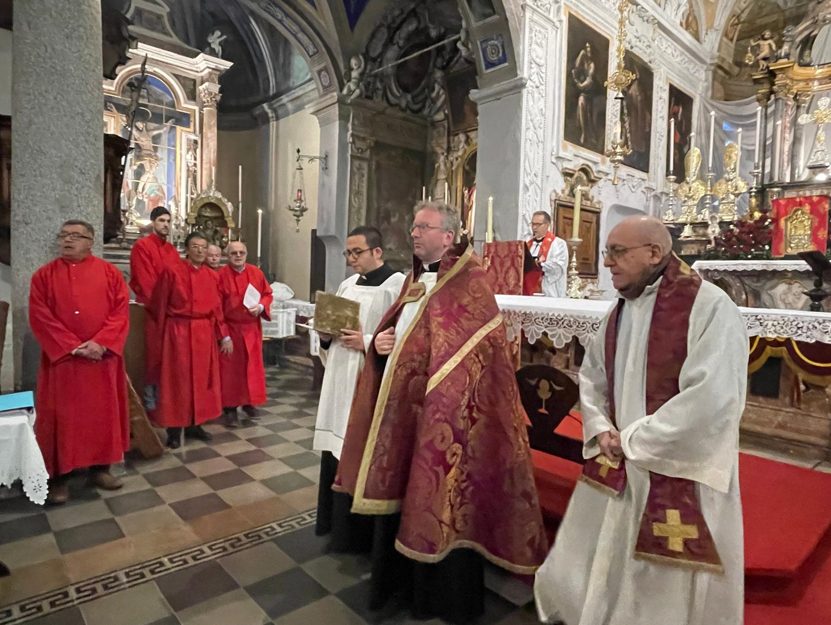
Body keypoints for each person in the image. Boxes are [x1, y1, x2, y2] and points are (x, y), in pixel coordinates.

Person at [334, 202, 547, 623]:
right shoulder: (414, 279)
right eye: (413, 226)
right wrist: (380, 344)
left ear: (448, 236)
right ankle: (397, 583)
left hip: (445, 414)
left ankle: (439, 597)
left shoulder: (470, 281)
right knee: (402, 488)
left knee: (438, 497)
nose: (413, 233)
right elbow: (399, 330)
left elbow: (475, 353)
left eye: (424, 227)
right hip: (404, 409)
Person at [534, 216, 747, 625]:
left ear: (654, 253)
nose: (607, 262)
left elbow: (712, 399)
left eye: (618, 252)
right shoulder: (620, 310)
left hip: (671, 462)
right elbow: (593, 376)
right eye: (606, 252)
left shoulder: (709, 307)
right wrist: (599, 429)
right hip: (619, 457)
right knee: (599, 560)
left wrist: (632, 440)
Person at [313, 226, 405, 546]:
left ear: (377, 252)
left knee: (359, 442)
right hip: (339, 373)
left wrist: (364, 341)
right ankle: (335, 526)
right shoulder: (348, 284)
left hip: (368, 376)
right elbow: (329, 330)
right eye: (348, 253)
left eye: (357, 252)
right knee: (336, 447)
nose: (351, 259)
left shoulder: (397, 286)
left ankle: (358, 535)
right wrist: (324, 333)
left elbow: (399, 338)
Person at [30, 220, 130, 504]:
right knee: (61, 418)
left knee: (102, 416)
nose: (67, 240)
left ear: (90, 241)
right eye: (64, 235)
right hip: (63, 361)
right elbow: (40, 316)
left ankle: (101, 469)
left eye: (76, 236)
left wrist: (101, 342)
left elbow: (120, 312)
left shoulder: (110, 274)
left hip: (101, 359)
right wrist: (73, 347)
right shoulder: (43, 276)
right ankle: (59, 477)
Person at [149, 232, 232, 449]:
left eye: (203, 247)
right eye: (195, 246)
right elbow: (158, 304)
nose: (199, 250)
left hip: (204, 332)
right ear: (187, 248)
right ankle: (174, 429)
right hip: (178, 332)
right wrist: (159, 334)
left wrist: (224, 334)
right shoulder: (172, 271)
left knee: (201, 380)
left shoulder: (213, 276)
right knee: (177, 381)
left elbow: (217, 310)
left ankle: (196, 423)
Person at [129, 206, 180, 408]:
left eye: (168, 221)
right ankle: (150, 402)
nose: (165, 224)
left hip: (171, 312)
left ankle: (167, 400)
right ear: (152, 222)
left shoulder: (171, 250)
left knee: (168, 358)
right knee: (152, 356)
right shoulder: (142, 247)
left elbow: (178, 281)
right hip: (152, 312)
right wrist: (162, 307)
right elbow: (145, 281)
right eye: (161, 221)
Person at [218, 241, 273, 428]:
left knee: (252, 369)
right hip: (231, 330)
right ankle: (230, 409)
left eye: (242, 252)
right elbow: (216, 309)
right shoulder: (220, 276)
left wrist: (261, 306)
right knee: (231, 372)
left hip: (251, 329)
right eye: (234, 253)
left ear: (246, 254)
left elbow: (267, 293)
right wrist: (224, 336)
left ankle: (250, 403)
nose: (238, 256)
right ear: (227, 255)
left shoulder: (256, 273)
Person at [524, 211, 569, 297]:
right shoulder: (527, 244)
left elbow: (558, 266)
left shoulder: (558, 244)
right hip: (529, 290)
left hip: (549, 291)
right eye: (532, 224)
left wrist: (539, 265)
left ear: (547, 224)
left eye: (538, 224)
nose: (534, 227)